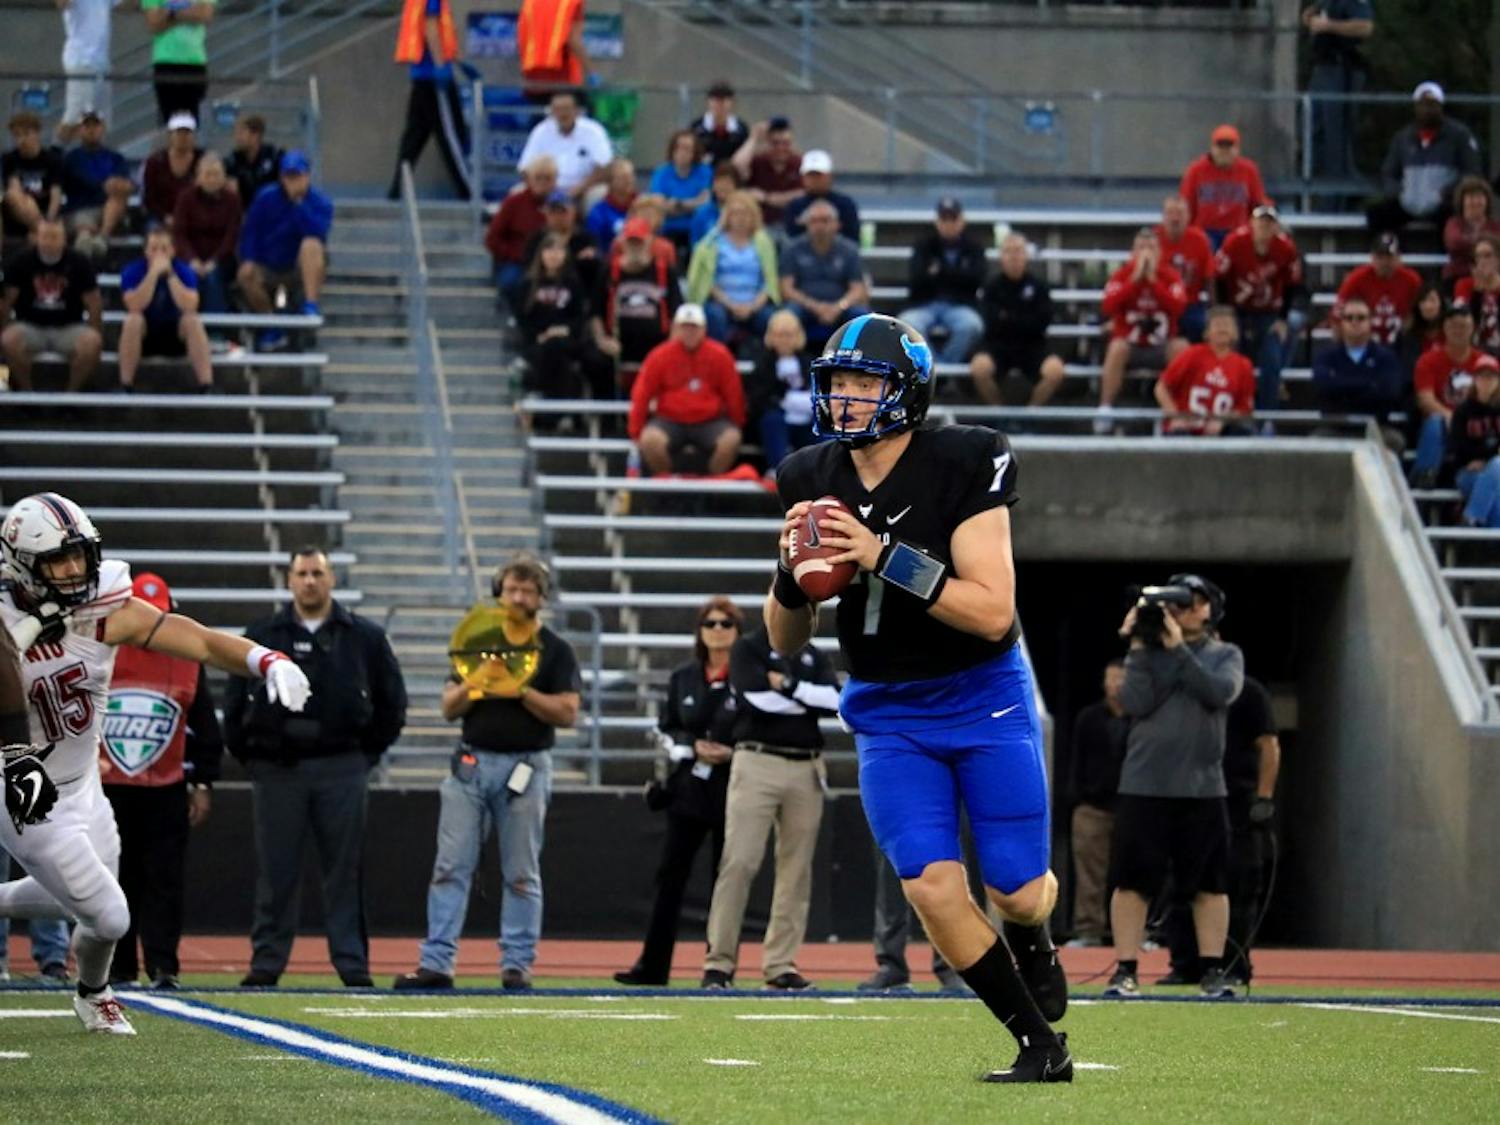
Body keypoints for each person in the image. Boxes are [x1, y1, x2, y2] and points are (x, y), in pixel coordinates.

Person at [770, 313, 1071, 1082]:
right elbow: (784, 639)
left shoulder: (966, 458)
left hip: (981, 694)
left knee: (1018, 887)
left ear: (906, 389)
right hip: (888, 708)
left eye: (864, 382)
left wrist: (882, 556)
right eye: (837, 381)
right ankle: (1039, 1042)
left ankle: (1033, 935)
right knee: (930, 885)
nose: (845, 396)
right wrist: (786, 575)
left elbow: (992, 610)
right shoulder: (808, 473)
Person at [0, 492, 311, 1034]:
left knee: (85, 904)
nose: (75, 570)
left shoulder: (102, 613)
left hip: (83, 786)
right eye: (58, 560)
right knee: (111, 914)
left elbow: (197, 640)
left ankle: (90, 991)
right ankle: (95, 994)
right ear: (21, 566)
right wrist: (13, 752)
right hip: (23, 784)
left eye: (80, 555)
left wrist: (266, 659)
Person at [395, 554, 581, 991]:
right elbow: (447, 706)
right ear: (499, 592)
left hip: (527, 767)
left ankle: (517, 965)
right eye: (511, 589)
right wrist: (479, 679)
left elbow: (568, 713)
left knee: (521, 872)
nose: (518, 597)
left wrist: (520, 690)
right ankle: (437, 962)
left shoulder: (555, 649)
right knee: (450, 866)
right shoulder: (478, 639)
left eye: (528, 590)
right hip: (471, 764)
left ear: (541, 598)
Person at [224, 546, 406, 989]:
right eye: (302, 573)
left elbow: (393, 705)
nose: (310, 581)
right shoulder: (262, 633)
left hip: (342, 767)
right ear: (288, 579)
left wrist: (364, 757)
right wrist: (255, 760)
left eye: (318, 573)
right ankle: (267, 963)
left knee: (345, 871)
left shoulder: (364, 636)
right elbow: (232, 705)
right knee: (276, 872)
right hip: (277, 769)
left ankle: (352, 965)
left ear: (331, 580)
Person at [1104, 573, 1244, 1000]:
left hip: (1203, 787)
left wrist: (1178, 650)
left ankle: (1212, 969)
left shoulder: (1225, 654)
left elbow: (1219, 692)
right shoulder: (1145, 652)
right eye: (1177, 601)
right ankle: (1126, 969)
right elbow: (1135, 703)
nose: (1183, 608)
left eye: (1193, 601)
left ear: (1210, 609)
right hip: (1144, 784)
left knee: (1210, 883)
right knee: (1131, 881)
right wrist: (1141, 647)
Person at [100, 572, 223, 990]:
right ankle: (117, 966)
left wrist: (203, 781)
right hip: (110, 787)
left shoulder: (185, 659)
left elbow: (206, 726)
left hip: (166, 787)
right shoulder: (103, 653)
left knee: (163, 881)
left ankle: (163, 965)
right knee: (115, 879)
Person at [699, 623, 839, 991]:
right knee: (739, 861)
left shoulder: (813, 653)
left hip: (806, 764)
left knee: (796, 870)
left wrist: (790, 687)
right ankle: (719, 963)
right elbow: (754, 697)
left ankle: (779, 965)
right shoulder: (749, 648)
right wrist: (806, 698)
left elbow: (838, 700)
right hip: (757, 760)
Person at [613, 597, 740, 986]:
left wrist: (732, 751)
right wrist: (690, 745)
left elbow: (762, 725)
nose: (718, 630)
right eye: (711, 623)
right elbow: (666, 727)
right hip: (689, 787)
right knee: (670, 878)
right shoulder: (684, 676)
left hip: (734, 788)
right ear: (700, 631)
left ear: (737, 631)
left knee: (727, 880)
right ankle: (652, 966)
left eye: (726, 624)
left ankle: (718, 968)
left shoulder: (748, 677)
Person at [1162, 673, 1279, 987]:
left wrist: (1265, 797)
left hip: (1236, 799)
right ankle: (1185, 964)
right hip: (1188, 797)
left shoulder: (1248, 691)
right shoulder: (1177, 687)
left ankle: (1234, 964)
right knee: (1181, 883)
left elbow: (1268, 744)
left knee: (1237, 883)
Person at [628, 303, 745, 476]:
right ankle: (668, 485)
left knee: (731, 440)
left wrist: (737, 423)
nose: (690, 332)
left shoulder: (720, 355)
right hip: (669, 419)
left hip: (710, 420)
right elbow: (642, 394)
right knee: (650, 440)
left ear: (704, 329)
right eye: (685, 327)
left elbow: (734, 395)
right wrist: (636, 432)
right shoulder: (659, 356)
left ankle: (711, 485)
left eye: (694, 327)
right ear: (676, 328)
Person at [1215, 205, 1305, 413]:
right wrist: (1223, 314)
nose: (1265, 227)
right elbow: (1218, 277)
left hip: (1268, 312)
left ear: (1276, 227)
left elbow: (1292, 284)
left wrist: (1282, 319)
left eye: (1269, 223)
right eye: (1261, 222)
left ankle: (1267, 417)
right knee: (1229, 355)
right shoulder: (1235, 242)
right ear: (1251, 224)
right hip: (1236, 309)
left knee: (1272, 358)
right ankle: (1228, 409)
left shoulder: (1285, 248)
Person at [237, 150, 332, 343]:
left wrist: (298, 205)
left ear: (307, 176)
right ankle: (271, 324)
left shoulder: (321, 202)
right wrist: (248, 259)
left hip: (298, 267)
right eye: (288, 176)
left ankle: (310, 305)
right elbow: (251, 231)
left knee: (311, 244)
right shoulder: (265, 198)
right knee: (245, 274)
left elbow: (319, 231)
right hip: (268, 264)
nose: (293, 180)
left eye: (297, 175)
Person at [0, 216, 103, 393]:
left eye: (55, 236)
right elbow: (6, 302)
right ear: (36, 237)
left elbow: (94, 303)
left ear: (64, 238)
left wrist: (95, 331)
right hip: (30, 326)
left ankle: (71, 395)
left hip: (69, 327)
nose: (49, 241)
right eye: (45, 236)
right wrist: (5, 328)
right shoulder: (20, 262)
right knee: (9, 339)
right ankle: (27, 393)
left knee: (92, 342)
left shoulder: (79, 262)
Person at [1099, 227, 1189, 427]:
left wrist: (1154, 283)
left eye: (1151, 247)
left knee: (1181, 348)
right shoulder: (1122, 275)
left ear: (1159, 252)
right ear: (1133, 252)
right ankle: (1105, 408)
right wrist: (1134, 281)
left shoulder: (1170, 276)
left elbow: (1179, 308)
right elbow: (1107, 306)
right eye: (1141, 248)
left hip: (1161, 343)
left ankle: (1178, 410)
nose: (1146, 253)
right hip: (1131, 344)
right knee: (1116, 348)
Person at [1065, 661, 1127, 949]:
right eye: (1110, 679)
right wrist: (1077, 797)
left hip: (1131, 807)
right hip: (1092, 806)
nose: (1115, 686)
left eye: (1121, 679)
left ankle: (1135, 932)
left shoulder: (1142, 717)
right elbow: (1076, 759)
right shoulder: (1089, 718)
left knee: (1133, 873)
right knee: (1090, 873)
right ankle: (1088, 929)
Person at [1368, 82, 1482, 237]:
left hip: (1443, 204)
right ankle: (1388, 255)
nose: (1427, 110)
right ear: (1416, 107)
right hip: (1409, 202)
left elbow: (1472, 171)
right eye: (1422, 105)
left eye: (1432, 105)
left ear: (1441, 107)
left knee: (1453, 222)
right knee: (1377, 214)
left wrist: (1449, 192)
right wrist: (1399, 192)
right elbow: (1388, 173)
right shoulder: (1402, 138)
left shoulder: (1459, 135)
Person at [387, 0, 472, 201]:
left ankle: (396, 192)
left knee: (414, 138)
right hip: (433, 77)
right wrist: (441, 65)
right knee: (452, 135)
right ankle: (469, 193)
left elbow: (441, 32)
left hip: (421, 75)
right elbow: (430, 27)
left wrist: (459, 62)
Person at [969, 232, 1066, 407]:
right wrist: (1021, 319)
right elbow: (990, 321)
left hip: (1032, 345)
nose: (1014, 256)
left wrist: (1008, 318)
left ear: (1026, 255)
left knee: (1055, 370)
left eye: (1019, 251)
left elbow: (1042, 321)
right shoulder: (991, 287)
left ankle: (1031, 413)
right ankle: (1000, 414)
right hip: (998, 345)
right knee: (979, 367)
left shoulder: (1038, 287)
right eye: (1008, 251)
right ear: (1001, 257)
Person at [1411, 302, 1499, 488]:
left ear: (1473, 329)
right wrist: (1451, 416)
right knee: (1435, 422)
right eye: (1454, 326)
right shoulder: (1428, 360)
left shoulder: (1484, 363)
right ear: (1445, 328)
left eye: (1464, 326)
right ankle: (1424, 478)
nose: (1459, 331)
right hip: (1443, 425)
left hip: (1475, 426)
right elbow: (1425, 399)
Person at [117, 225, 214, 393]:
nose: (159, 254)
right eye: (154, 248)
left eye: (164, 248)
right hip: (145, 335)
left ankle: (206, 384)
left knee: (192, 320)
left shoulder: (183, 271)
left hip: (176, 335)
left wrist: (170, 276)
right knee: (133, 319)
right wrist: (153, 275)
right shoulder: (132, 271)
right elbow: (134, 304)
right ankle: (126, 384)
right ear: (146, 251)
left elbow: (190, 305)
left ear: (173, 251)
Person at [589, 216, 679, 395]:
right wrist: (602, 340)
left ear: (649, 242)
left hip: (657, 342)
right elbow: (595, 313)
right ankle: (608, 419)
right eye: (631, 242)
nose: (635, 247)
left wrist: (671, 345)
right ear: (622, 243)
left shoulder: (664, 271)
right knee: (595, 360)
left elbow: (676, 312)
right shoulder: (608, 271)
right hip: (617, 342)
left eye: (639, 242)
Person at [686, 189, 779, 349]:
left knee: (771, 318)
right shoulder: (711, 243)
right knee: (714, 315)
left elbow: (769, 282)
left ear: (753, 216)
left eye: (745, 213)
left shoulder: (764, 243)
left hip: (755, 303)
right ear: (727, 215)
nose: (740, 218)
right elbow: (708, 282)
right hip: (722, 302)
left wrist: (753, 306)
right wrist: (730, 305)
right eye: (735, 213)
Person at [899, 197, 986, 367]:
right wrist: (957, 276)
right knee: (908, 324)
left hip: (960, 305)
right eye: (944, 219)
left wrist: (940, 272)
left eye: (953, 219)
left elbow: (976, 280)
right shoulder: (923, 245)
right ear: (937, 222)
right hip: (925, 305)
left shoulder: (974, 247)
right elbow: (917, 280)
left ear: (961, 221)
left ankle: (938, 374)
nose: (948, 224)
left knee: (971, 325)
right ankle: (936, 370)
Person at [1302, 1, 1373, 192]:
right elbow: (1312, 14)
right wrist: (1311, 16)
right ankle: (1315, 197)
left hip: (1340, 71)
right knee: (1314, 135)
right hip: (1322, 69)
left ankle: (1336, 200)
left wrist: (1329, 25)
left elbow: (1365, 27)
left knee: (1336, 139)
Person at [780, 199, 870, 348]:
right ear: (806, 224)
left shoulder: (850, 250)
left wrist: (839, 307)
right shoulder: (792, 249)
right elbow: (786, 290)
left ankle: (861, 364)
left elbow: (858, 289)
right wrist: (816, 307)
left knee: (861, 317)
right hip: (805, 306)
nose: (820, 226)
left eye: (825, 220)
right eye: (814, 221)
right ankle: (789, 364)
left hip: (841, 307)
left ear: (837, 224)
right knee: (787, 315)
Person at [1154, 306, 1256, 436]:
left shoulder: (1243, 365)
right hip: (1186, 429)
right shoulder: (1192, 354)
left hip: (1220, 432)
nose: (1222, 328)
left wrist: (1222, 420)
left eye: (1227, 325)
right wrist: (1175, 416)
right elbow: (1161, 387)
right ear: (1207, 332)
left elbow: (1244, 408)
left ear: (1235, 333)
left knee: (1242, 432)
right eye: (1217, 324)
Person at [517, 231, 592, 407]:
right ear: (541, 254)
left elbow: (579, 317)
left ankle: (547, 403)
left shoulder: (573, 284)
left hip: (567, 338)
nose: (554, 255)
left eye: (559, 251)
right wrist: (540, 335)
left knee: (558, 348)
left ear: (565, 255)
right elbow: (523, 319)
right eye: (549, 250)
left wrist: (563, 330)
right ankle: (560, 410)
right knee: (556, 358)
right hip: (538, 340)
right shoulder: (528, 284)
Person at [743, 309, 816, 475]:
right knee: (772, 421)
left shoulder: (809, 362)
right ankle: (778, 469)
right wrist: (783, 401)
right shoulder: (763, 364)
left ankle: (818, 472)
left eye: (789, 335)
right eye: (779, 335)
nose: (784, 340)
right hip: (779, 418)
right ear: (771, 336)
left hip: (806, 419)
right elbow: (757, 399)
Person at [1311, 295, 1403, 421]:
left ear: (1370, 321)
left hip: (1377, 428)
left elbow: (1389, 391)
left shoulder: (1386, 356)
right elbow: (1322, 387)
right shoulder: (1325, 356)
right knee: (1316, 439)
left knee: (1395, 441)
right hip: (1334, 427)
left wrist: (1340, 386)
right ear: (1342, 322)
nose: (1355, 322)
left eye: (1361, 318)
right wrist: (1369, 384)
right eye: (1349, 318)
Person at [171, 151, 242, 315]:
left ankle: (216, 329)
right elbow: (179, 234)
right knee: (187, 274)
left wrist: (214, 261)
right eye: (208, 174)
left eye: (216, 174)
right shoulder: (185, 198)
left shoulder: (233, 200)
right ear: (198, 177)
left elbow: (232, 236)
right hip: (190, 256)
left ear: (224, 177)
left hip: (222, 258)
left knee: (213, 277)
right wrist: (192, 260)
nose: (212, 179)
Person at [1178, 125, 1268, 249]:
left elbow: (1257, 203)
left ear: (1237, 149)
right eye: (1220, 146)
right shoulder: (1196, 170)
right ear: (1212, 148)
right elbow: (1186, 204)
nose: (1224, 151)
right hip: (1205, 231)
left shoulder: (1248, 170)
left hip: (1238, 230)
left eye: (1229, 147)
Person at [486, 155, 558, 306]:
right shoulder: (514, 202)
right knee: (512, 282)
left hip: (554, 261)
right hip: (516, 261)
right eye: (538, 178)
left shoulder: (560, 205)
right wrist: (513, 254)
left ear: (555, 181)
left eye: (548, 178)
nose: (543, 183)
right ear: (528, 180)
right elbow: (492, 238)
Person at [59, 109, 132, 260]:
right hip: (80, 209)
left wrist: (120, 185)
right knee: (84, 230)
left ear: (103, 128)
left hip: (109, 209)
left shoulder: (115, 157)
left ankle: (102, 238)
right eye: (87, 126)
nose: (91, 130)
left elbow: (128, 184)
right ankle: (84, 251)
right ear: (80, 130)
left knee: (117, 197)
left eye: (95, 126)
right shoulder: (70, 159)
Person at [516, 90, 612, 201]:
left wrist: (576, 191)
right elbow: (524, 168)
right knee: (517, 191)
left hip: (583, 191)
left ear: (577, 111)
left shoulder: (594, 131)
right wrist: (544, 188)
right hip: (545, 190)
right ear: (551, 112)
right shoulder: (541, 131)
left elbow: (604, 168)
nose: (562, 114)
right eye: (557, 110)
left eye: (567, 109)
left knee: (599, 193)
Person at [1333, 233, 1422, 348]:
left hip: (1401, 342)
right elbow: (1337, 315)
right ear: (1372, 258)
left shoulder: (1412, 280)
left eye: (1389, 257)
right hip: (1365, 342)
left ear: (1399, 258)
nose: (1385, 262)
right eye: (1380, 257)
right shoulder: (1357, 278)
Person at [141, 0, 215, 126]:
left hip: (194, 61)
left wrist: (170, 14)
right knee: (169, 120)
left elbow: (205, 14)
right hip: (165, 61)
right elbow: (154, 24)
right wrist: (189, 13)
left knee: (192, 120)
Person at [57, 0, 119, 144]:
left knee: (101, 121)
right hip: (81, 60)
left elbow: (127, 5)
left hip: (102, 61)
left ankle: (95, 161)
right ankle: (54, 155)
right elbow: (61, 4)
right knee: (74, 118)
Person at [1157, 195, 1216, 344]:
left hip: (1190, 304)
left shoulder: (1200, 240)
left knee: (1201, 326)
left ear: (1189, 217)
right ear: (1163, 217)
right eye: (1170, 213)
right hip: (1160, 303)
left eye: (1180, 213)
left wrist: (1214, 311)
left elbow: (1209, 278)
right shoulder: (1154, 240)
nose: (1175, 219)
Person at [1452, 362, 1500, 527]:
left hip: (1494, 470)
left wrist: (1486, 460)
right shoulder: (1463, 411)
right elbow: (1458, 444)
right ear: (1475, 380)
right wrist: (1488, 456)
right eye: (1482, 376)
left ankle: (1471, 518)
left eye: (1491, 377)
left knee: (1497, 468)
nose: (1486, 381)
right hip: (1467, 471)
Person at [523, 188, 599, 292]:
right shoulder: (537, 238)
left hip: (578, 290)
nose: (558, 217)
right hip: (541, 289)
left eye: (563, 212)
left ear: (573, 212)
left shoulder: (585, 238)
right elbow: (529, 266)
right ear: (546, 214)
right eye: (553, 212)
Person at [651, 129, 713, 256]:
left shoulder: (704, 171)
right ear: (672, 151)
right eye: (679, 148)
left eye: (687, 148)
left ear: (694, 152)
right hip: (668, 229)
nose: (682, 153)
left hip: (697, 229)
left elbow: (705, 202)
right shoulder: (662, 173)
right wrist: (692, 204)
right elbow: (658, 205)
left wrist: (677, 203)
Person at [3, 112, 63, 238]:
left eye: (26, 134)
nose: (21, 140)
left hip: (45, 211)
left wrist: (49, 218)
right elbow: (14, 190)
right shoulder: (9, 159)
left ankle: (41, 230)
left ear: (37, 134)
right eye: (17, 135)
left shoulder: (52, 160)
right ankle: (42, 231)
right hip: (17, 213)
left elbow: (55, 196)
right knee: (13, 196)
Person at [733, 116, 802, 226]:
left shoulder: (799, 162)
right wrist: (753, 138)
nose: (781, 148)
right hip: (761, 226)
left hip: (792, 226)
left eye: (786, 143)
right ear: (767, 143)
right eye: (775, 143)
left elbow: (802, 195)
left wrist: (766, 198)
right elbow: (736, 167)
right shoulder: (758, 161)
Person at [782, 149, 860, 244]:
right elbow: (791, 239)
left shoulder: (845, 205)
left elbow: (852, 239)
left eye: (818, 175)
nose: (814, 179)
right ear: (803, 177)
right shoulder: (795, 207)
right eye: (810, 175)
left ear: (830, 176)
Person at [517, 0, 590, 99]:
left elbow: (522, 36)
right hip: (563, 76)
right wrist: (591, 71)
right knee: (581, 111)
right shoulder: (572, 3)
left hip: (534, 77)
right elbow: (573, 41)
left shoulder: (531, 2)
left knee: (540, 112)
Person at [140, 112, 202, 227]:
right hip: (160, 217)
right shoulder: (155, 162)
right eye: (179, 133)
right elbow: (149, 198)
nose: (183, 137)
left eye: (187, 133)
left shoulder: (203, 160)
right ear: (170, 135)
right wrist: (165, 217)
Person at [1442, 177, 1500, 286]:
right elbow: (1455, 243)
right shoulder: (1454, 224)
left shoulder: (1496, 226)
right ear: (1462, 201)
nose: (1475, 201)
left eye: (1480, 197)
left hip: (1492, 278)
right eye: (1470, 197)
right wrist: (1486, 245)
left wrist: (1470, 240)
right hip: (1458, 276)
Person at [1453, 235, 1500, 357]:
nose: (1483, 261)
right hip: (1474, 350)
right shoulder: (1464, 285)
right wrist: (1477, 293)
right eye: (1478, 256)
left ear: (1498, 259)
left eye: (1488, 255)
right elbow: (1461, 321)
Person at [222, 114, 282, 206]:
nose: (237, 138)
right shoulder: (232, 161)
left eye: (241, 133)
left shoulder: (274, 157)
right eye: (236, 133)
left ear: (255, 135)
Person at [584, 159, 637, 254]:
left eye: (631, 175)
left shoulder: (642, 205)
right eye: (623, 177)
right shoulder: (599, 212)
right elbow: (595, 245)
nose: (629, 180)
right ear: (610, 182)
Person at [692, 81, 749, 167]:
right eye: (715, 99)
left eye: (724, 99)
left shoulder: (741, 129)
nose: (720, 103)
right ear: (708, 102)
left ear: (732, 102)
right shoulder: (696, 127)